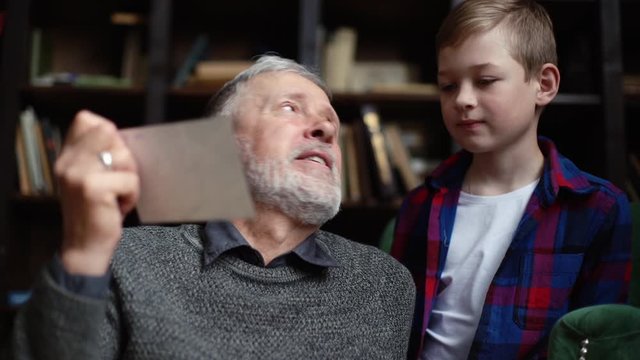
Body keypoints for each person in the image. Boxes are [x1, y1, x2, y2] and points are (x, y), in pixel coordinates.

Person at [11, 54, 416, 359]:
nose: (327, 129)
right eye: (290, 108)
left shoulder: (386, 286)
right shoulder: (123, 260)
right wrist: (84, 253)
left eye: (331, 121)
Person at [390, 1, 632, 359]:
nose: (463, 100)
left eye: (485, 81)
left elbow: (597, 343)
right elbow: (394, 328)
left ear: (544, 84)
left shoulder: (598, 208)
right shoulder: (420, 203)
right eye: (447, 86)